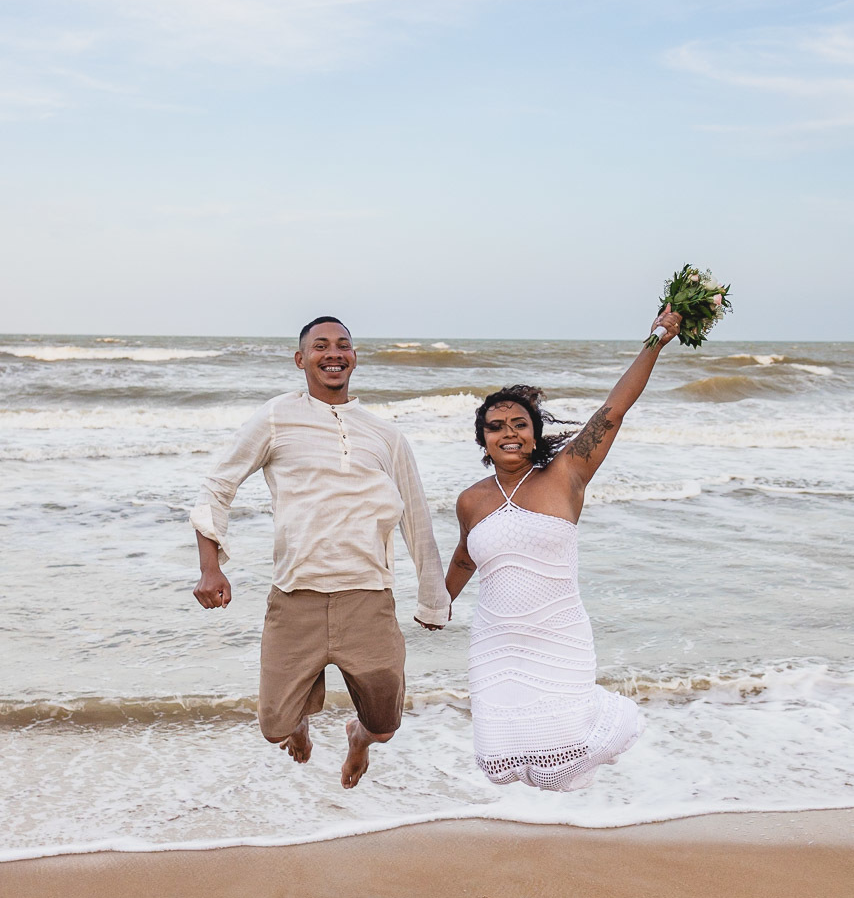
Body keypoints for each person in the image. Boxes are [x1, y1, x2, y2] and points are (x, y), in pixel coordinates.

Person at [190, 317, 450, 789]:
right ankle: (301, 719)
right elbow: (218, 485)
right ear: (301, 359)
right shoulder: (276, 416)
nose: (333, 353)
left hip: (368, 598)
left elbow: (416, 516)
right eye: (320, 346)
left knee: (386, 725)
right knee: (274, 727)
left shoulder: (385, 435)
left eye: (343, 345)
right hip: (296, 598)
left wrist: (433, 598)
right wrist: (211, 567)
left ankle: (357, 739)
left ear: (354, 357)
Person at [445, 306, 682, 792]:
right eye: (496, 426)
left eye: (519, 423)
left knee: (563, 760)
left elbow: (613, 411)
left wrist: (656, 339)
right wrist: (438, 601)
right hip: (496, 638)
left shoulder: (567, 473)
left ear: (533, 433)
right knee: (499, 764)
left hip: (558, 632)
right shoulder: (471, 499)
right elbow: (465, 557)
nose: (509, 432)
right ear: (482, 441)